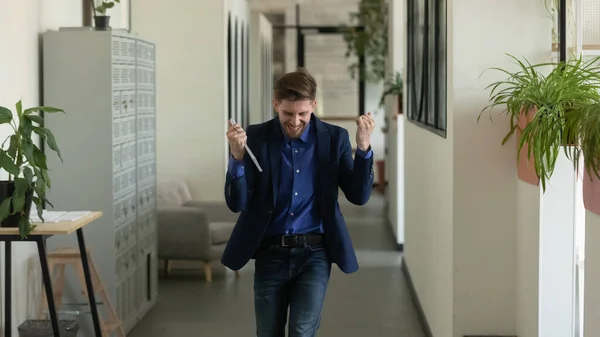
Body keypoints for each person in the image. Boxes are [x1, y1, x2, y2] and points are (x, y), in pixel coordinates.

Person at [222, 67, 375, 337]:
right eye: (287, 113)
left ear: (313, 105)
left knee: (302, 330)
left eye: (303, 114)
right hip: (270, 253)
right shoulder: (256, 138)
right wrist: (236, 158)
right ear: (276, 104)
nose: (295, 121)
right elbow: (237, 203)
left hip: (314, 253)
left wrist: (362, 148)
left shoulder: (334, 138)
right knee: (268, 331)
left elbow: (358, 196)